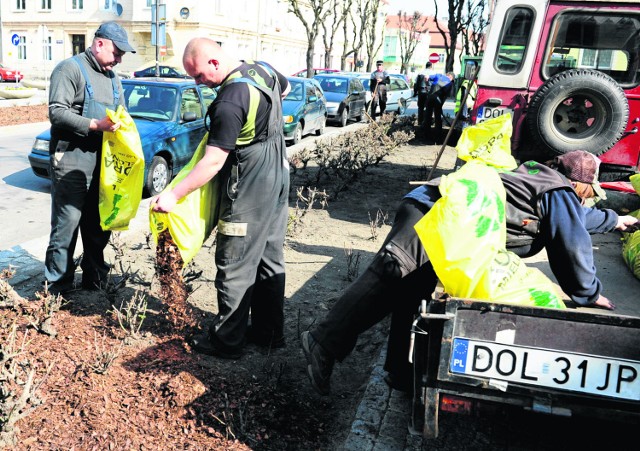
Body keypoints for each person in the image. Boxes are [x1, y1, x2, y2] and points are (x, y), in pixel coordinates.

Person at [301, 150, 639, 395]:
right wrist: (589, 293)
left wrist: (615, 221)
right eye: (589, 194)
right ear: (578, 185)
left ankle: (400, 375)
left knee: (411, 294)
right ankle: (323, 342)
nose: (588, 201)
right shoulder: (559, 192)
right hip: (435, 212)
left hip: (439, 207)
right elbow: (572, 244)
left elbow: (576, 220)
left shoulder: (542, 181)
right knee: (390, 278)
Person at [152, 37, 291, 359]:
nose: (197, 84)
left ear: (215, 62)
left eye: (199, 76)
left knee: (235, 263)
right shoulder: (261, 70)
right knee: (269, 258)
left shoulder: (229, 101)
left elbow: (213, 161)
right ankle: (270, 334)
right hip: (277, 176)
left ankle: (227, 340)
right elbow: (282, 89)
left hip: (249, 184)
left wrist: (174, 194)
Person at [44, 21, 135, 295]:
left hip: (103, 163)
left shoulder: (113, 78)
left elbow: (122, 112)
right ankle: (58, 286)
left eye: (121, 56)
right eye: (116, 53)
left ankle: (94, 280)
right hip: (71, 159)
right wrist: (96, 125)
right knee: (67, 224)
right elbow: (56, 112)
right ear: (99, 44)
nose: (118, 60)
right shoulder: (70, 69)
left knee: (98, 225)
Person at [422, 71, 455, 143]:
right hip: (438, 100)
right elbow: (445, 97)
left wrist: (427, 84)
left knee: (428, 117)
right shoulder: (450, 83)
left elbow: (426, 77)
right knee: (438, 119)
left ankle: (425, 137)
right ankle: (438, 139)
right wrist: (440, 107)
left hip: (430, 98)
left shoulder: (438, 76)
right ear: (451, 77)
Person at [413, 62, 435, 126]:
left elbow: (416, 83)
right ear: (431, 66)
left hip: (421, 92)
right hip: (430, 93)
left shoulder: (420, 73)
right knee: (429, 107)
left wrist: (415, 92)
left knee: (420, 107)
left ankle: (420, 122)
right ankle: (428, 122)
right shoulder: (433, 73)